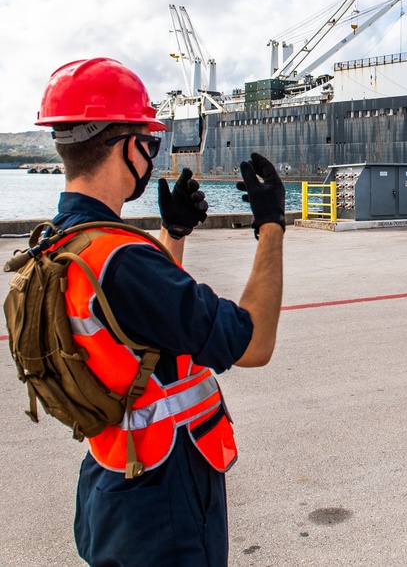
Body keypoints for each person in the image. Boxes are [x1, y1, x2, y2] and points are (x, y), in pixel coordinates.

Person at [32, 57, 285, 566]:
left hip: (111, 481)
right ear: (128, 147)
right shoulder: (124, 259)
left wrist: (172, 234)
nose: (151, 156)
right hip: (165, 498)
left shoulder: (61, 242)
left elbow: (133, 327)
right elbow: (254, 344)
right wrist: (272, 225)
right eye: (149, 143)